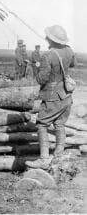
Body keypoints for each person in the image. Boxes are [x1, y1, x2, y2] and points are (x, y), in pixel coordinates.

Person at [26, 25, 76, 170]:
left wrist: (36, 66)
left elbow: (41, 80)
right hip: (66, 95)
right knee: (60, 124)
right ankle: (58, 156)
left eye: (48, 36)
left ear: (51, 39)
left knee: (42, 124)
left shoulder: (47, 55)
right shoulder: (69, 50)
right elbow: (73, 64)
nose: (46, 37)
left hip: (52, 96)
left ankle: (43, 159)